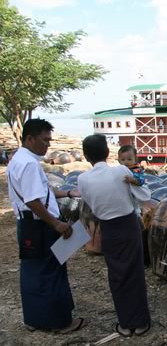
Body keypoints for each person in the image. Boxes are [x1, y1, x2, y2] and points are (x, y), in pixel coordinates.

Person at [10, 119, 88, 334]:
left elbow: (41, 192)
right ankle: (60, 322)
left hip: (27, 225)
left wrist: (69, 193)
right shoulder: (29, 165)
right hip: (40, 226)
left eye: (49, 140)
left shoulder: (19, 159)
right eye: (44, 140)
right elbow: (32, 200)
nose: (48, 146)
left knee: (34, 272)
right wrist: (55, 223)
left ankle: (35, 318)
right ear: (29, 138)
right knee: (51, 271)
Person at [78, 135, 153, 336]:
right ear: (108, 153)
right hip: (128, 225)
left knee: (117, 275)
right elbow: (145, 196)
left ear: (85, 156)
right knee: (134, 273)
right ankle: (140, 322)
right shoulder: (120, 170)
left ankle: (125, 323)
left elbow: (89, 204)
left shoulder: (82, 179)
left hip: (108, 228)